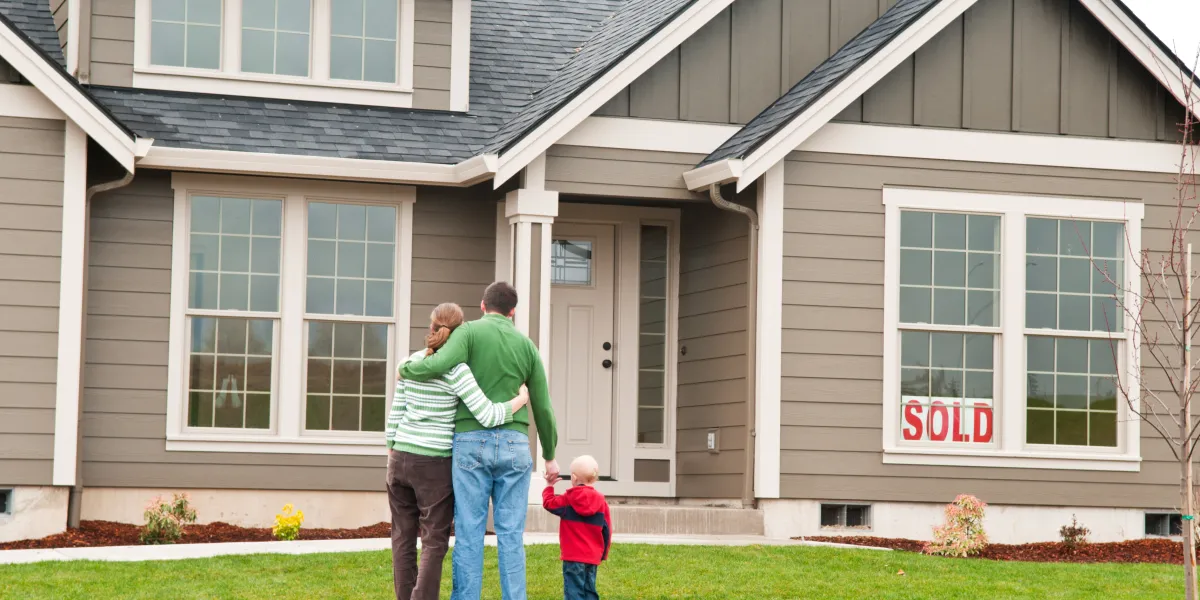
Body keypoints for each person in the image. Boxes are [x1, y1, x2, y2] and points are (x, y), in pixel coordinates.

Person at [401, 281, 559, 600]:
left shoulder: (469, 332)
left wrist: (407, 368)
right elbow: (541, 405)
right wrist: (550, 456)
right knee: (511, 535)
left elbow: (438, 365)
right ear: (512, 311)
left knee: (470, 533)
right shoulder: (527, 346)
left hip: (471, 442)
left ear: (483, 306)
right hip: (515, 444)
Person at [542, 455, 612, 600]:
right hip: (592, 557)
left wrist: (549, 486)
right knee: (590, 591)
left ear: (573, 478)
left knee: (574, 592)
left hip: (573, 557)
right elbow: (607, 529)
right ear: (594, 478)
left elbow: (549, 503)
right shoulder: (601, 501)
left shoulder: (568, 498)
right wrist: (603, 553)